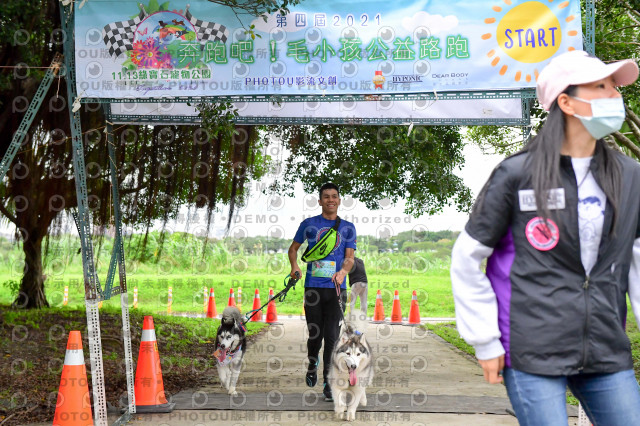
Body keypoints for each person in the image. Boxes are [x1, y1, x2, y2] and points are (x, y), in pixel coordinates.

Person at [451, 50, 640, 425]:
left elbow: (638, 260)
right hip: (531, 350)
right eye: (601, 86)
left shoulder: (630, 175)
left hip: (604, 348)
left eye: (615, 87)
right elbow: (467, 259)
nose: (614, 95)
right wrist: (486, 341)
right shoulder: (517, 174)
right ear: (566, 102)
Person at [288, 182, 356, 402]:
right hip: (313, 289)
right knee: (315, 335)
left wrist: (343, 272)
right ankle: (312, 362)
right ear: (320, 201)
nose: (330, 200)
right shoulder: (308, 224)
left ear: (339, 200)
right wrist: (295, 267)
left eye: (334, 196)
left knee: (333, 338)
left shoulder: (347, 227)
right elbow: (293, 249)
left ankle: (328, 382)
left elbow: (349, 258)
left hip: (336, 290)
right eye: (326, 196)